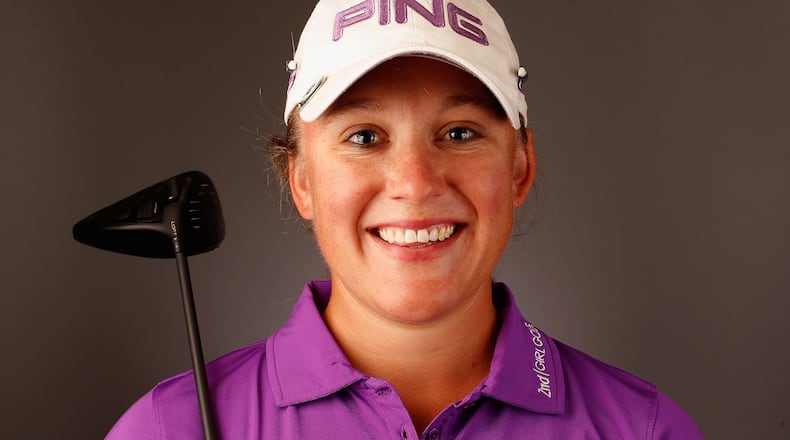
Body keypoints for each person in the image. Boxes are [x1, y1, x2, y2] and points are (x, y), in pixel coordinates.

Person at [106, 0, 704, 438]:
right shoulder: (168, 429)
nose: (415, 183)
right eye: (365, 137)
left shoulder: (644, 429)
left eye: (460, 133)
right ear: (303, 181)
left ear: (520, 169)